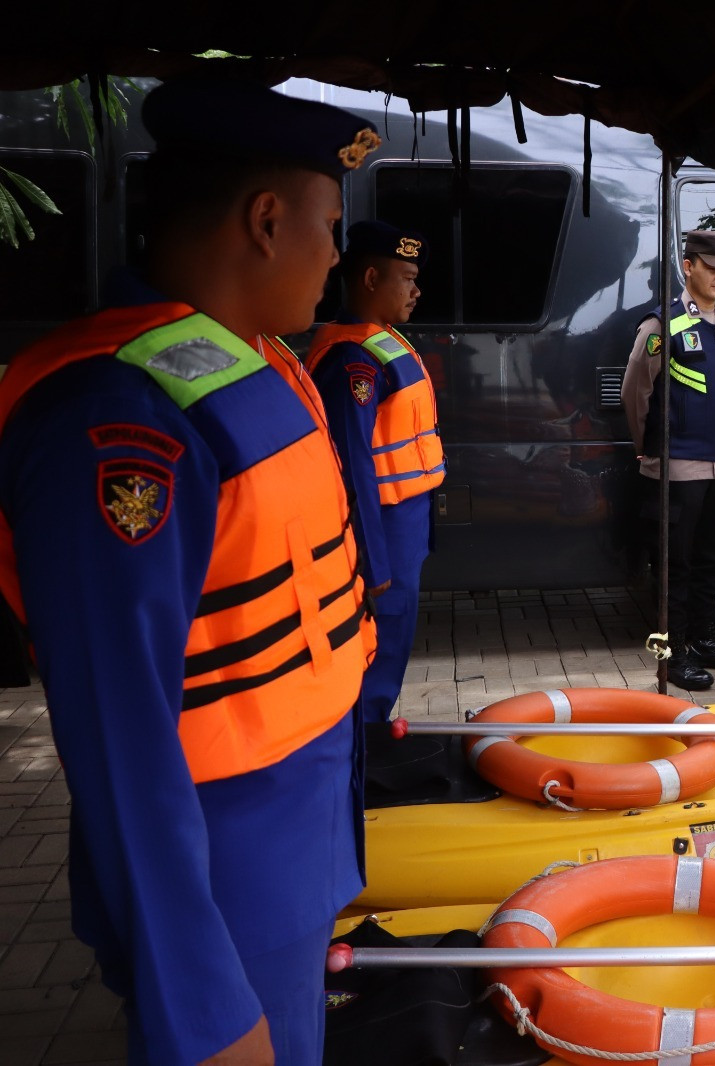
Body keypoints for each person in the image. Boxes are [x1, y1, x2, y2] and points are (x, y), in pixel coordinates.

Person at [0, 78, 379, 1063]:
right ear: (264, 221)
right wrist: (203, 1003)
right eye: (329, 226)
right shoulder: (116, 417)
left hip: (288, 845)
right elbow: (120, 738)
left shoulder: (244, 359)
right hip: (223, 874)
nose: (339, 257)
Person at [623, 229, 715, 691]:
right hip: (677, 465)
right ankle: (672, 656)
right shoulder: (661, 326)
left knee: (712, 559)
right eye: (714, 269)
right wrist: (647, 447)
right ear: (689, 267)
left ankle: (706, 640)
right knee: (673, 567)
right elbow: (636, 391)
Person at [308, 221, 441, 724]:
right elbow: (350, 464)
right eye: (406, 277)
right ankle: (367, 747)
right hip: (382, 526)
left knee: (397, 638)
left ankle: (375, 734)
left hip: (405, 520)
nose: (416, 289)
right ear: (369, 278)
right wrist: (372, 561)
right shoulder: (352, 359)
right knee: (379, 647)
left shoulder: (380, 341)